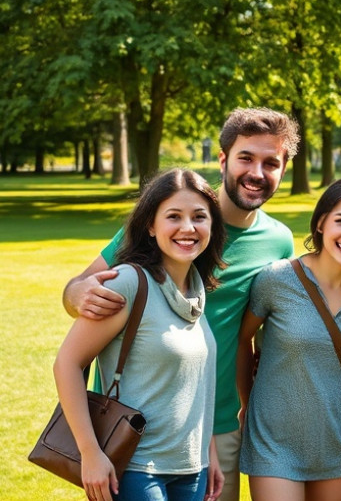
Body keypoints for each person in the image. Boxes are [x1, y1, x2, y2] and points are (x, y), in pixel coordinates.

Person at [62, 107, 301, 501]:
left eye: (271, 163)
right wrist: (75, 295)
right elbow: (83, 288)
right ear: (223, 159)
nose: (257, 172)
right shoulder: (167, 219)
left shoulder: (279, 242)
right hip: (133, 430)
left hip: (214, 427)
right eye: (246, 158)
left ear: (283, 169)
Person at [54, 169, 227, 501]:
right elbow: (67, 363)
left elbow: (194, 385)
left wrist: (210, 455)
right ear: (151, 225)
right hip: (136, 470)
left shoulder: (195, 289)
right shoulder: (128, 282)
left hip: (192, 470)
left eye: (199, 217)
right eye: (173, 216)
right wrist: (90, 453)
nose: (188, 228)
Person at [236, 175, 341, 501]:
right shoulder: (276, 280)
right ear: (321, 223)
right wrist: (247, 401)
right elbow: (241, 339)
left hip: (339, 442)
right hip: (273, 441)